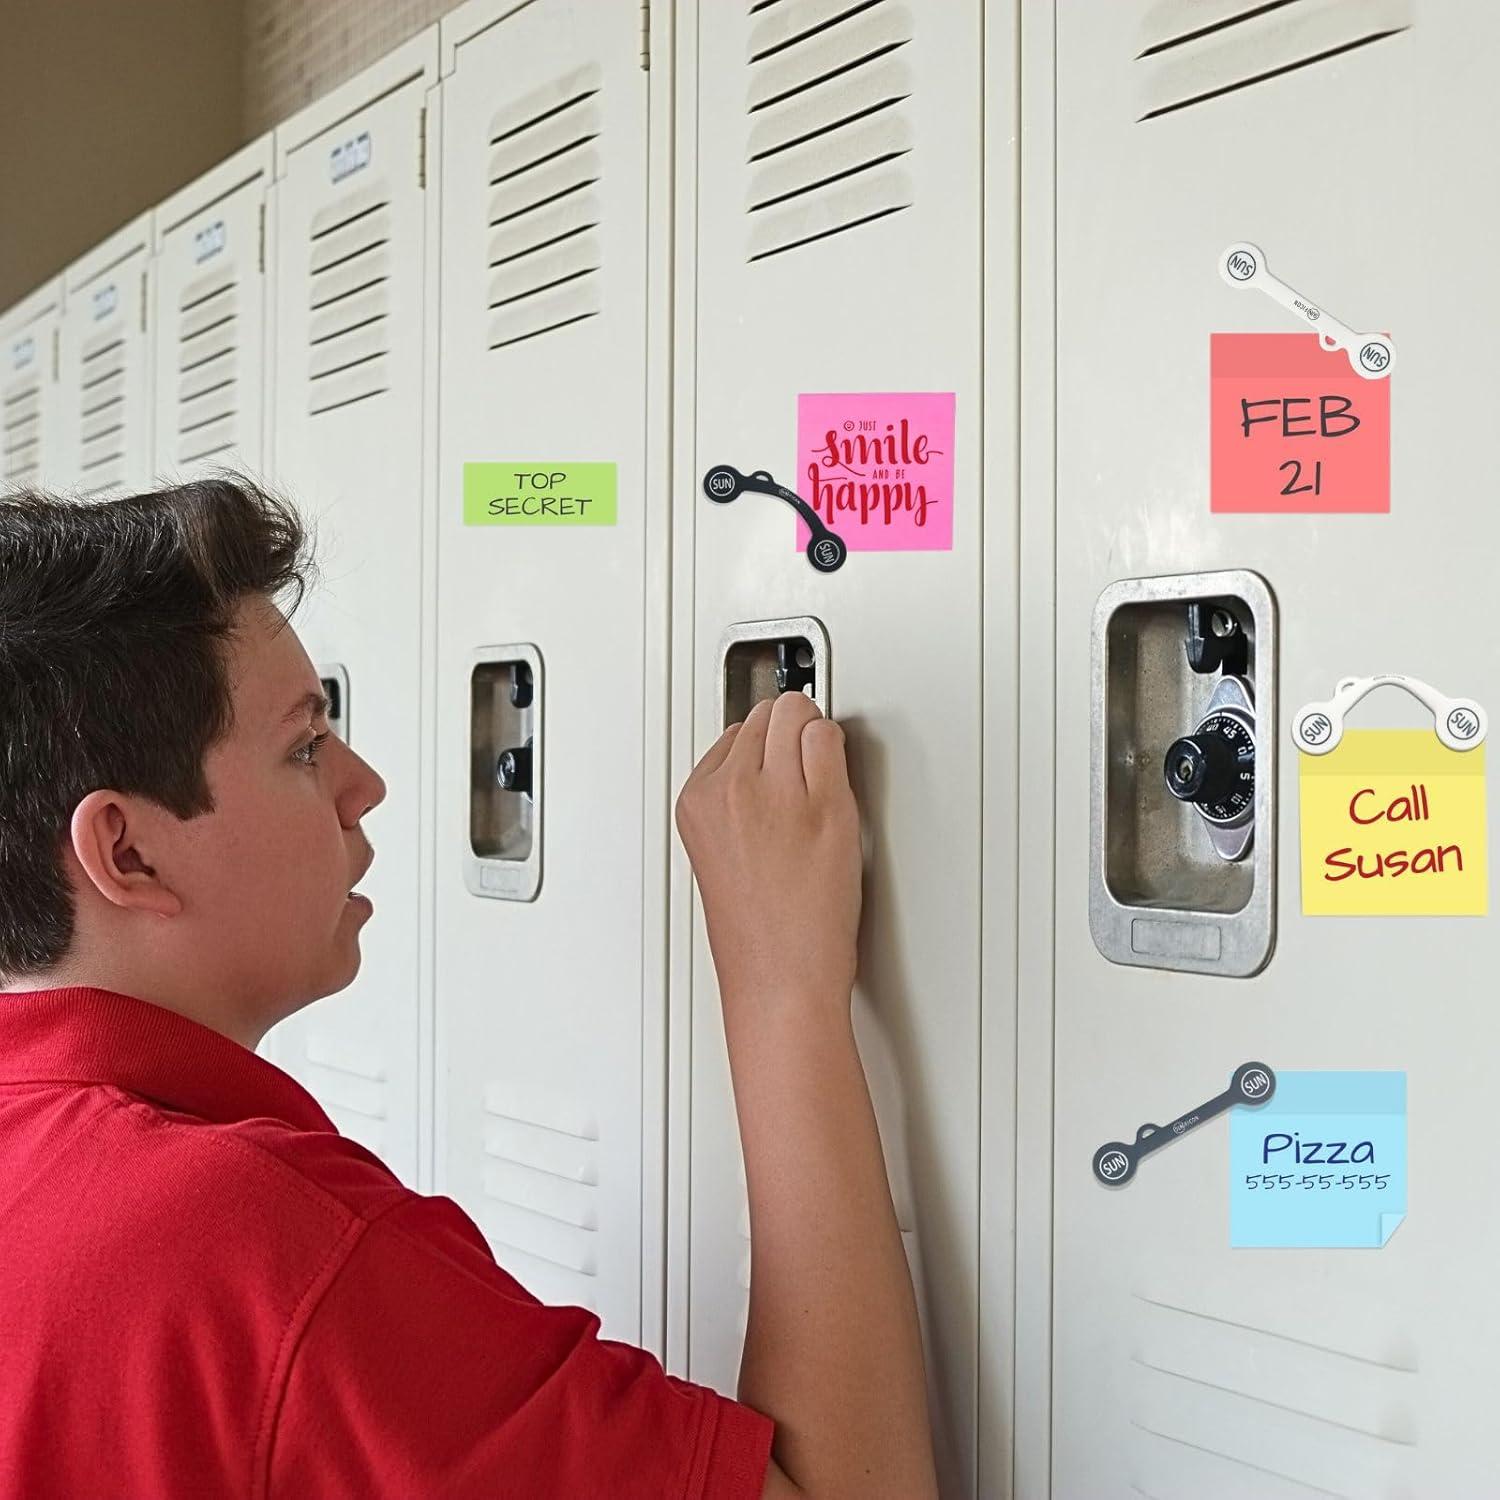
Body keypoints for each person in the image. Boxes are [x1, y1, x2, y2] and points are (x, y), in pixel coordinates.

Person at [0, 476, 939, 1499]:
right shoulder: (252, 1249)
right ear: (126, 852)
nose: (364, 786)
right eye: (305, 746)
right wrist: (781, 989)